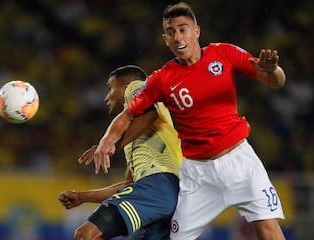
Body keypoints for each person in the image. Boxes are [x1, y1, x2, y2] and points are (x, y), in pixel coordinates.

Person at [92, 2, 286, 240]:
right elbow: (128, 114)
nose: (177, 37)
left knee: (269, 231)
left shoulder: (223, 53)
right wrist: (106, 140)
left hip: (240, 163)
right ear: (165, 39)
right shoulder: (161, 79)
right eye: (171, 32)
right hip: (198, 174)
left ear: (196, 31)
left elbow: (275, 81)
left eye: (183, 29)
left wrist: (273, 70)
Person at [59, 65, 182, 240]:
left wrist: (112, 145)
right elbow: (128, 186)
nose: (106, 97)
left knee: (85, 235)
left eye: (110, 88)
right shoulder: (146, 144)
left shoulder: (137, 87)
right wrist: (81, 196)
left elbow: (148, 113)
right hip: (168, 197)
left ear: (125, 85)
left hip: (157, 186)